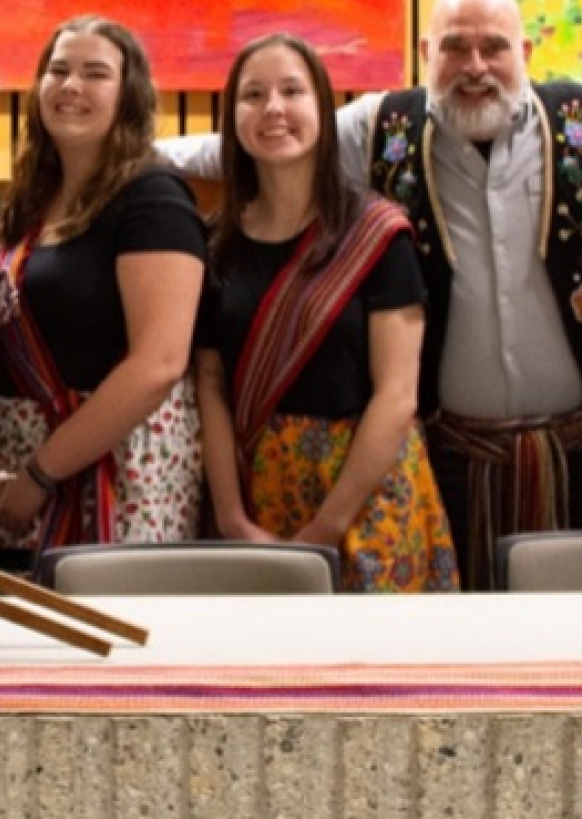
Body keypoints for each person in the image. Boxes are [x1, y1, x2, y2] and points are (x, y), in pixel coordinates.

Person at [162, 0, 582, 589]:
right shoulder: (379, 125)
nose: (474, 67)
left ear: (526, 50)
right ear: (425, 52)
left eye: (493, 47)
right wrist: (122, 151)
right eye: (454, 48)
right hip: (447, 462)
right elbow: (258, 138)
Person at [194, 35, 457, 591]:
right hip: (256, 488)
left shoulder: (378, 235)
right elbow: (211, 382)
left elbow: (397, 394)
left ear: (322, 108)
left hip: (366, 492)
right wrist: (231, 515)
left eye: (292, 91)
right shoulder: (217, 241)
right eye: (253, 95)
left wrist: (328, 524)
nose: (273, 109)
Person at [0, 16, 206, 551]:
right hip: (7, 475)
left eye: (95, 73)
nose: (71, 86)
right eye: (58, 71)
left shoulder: (154, 198)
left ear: (128, 95)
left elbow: (159, 363)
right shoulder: (30, 198)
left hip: (116, 472)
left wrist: (37, 476)